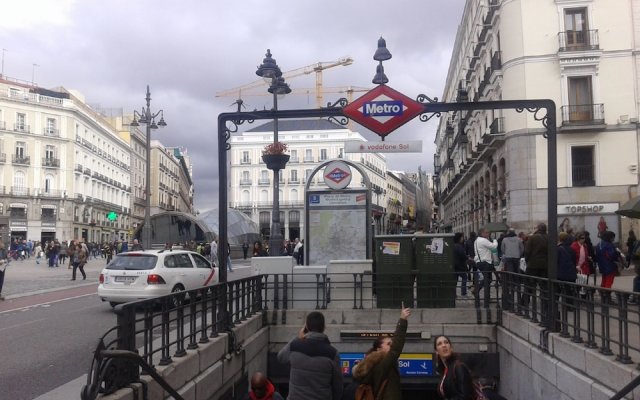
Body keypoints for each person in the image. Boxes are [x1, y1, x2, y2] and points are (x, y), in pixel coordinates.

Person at [277, 311, 343, 400]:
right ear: (324, 327)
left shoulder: (295, 346)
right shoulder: (333, 353)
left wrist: (297, 338)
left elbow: (280, 357)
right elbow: (338, 386)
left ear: (306, 327)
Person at [352, 304, 411, 399]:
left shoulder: (371, 364)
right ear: (379, 349)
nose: (391, 346)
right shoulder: (382, 363)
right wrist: (402, 320)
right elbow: (396, 348)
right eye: (388, 344)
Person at [434, 335, 476, 400]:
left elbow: (464, 396)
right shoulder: (445, 371)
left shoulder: (459, 367)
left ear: (451, 348)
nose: (444, 345)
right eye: (439, 344)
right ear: (436, 351)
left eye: (446, 342)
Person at [521, 223, 549, 318]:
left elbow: (527, 251)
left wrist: (528, 261)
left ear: (538, 229)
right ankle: (545, 304)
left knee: (528, 285)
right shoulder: (549, 237)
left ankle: (524, 302)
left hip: (533, 265)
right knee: (544, 286)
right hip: (545, 265)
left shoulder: (532, 238)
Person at [500, 228, 524, 306]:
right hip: (516, 257)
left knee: (510, 270)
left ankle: (511, 282)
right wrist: (519, 255)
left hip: (508, 257)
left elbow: (502, 249)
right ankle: (517, 282)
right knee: (517, 270)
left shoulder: (504, 240)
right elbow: (522, 249)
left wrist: (506, 253)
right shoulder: (519, 239)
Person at [473, 228, 498, 298]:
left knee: (488, 279)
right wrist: (495, 240)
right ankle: (480, 292)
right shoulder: (483, 240)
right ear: (482, 233)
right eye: (486, 232)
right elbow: (494, 247)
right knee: (488, 279)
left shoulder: (477, 240)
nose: (488, 234)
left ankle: (484, 294)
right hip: (485, 263)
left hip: (480, 262)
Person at [453, 233, 469, 298]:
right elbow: (463, 255)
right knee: (465, 278)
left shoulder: (453, 245)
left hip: (454, 265)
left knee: (455, 280)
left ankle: (454, 294)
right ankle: (463, 293)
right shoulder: (459, 246)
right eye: (462, 237)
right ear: (459, 238)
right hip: (460, 266)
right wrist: (467, 257)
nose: (463, 239)